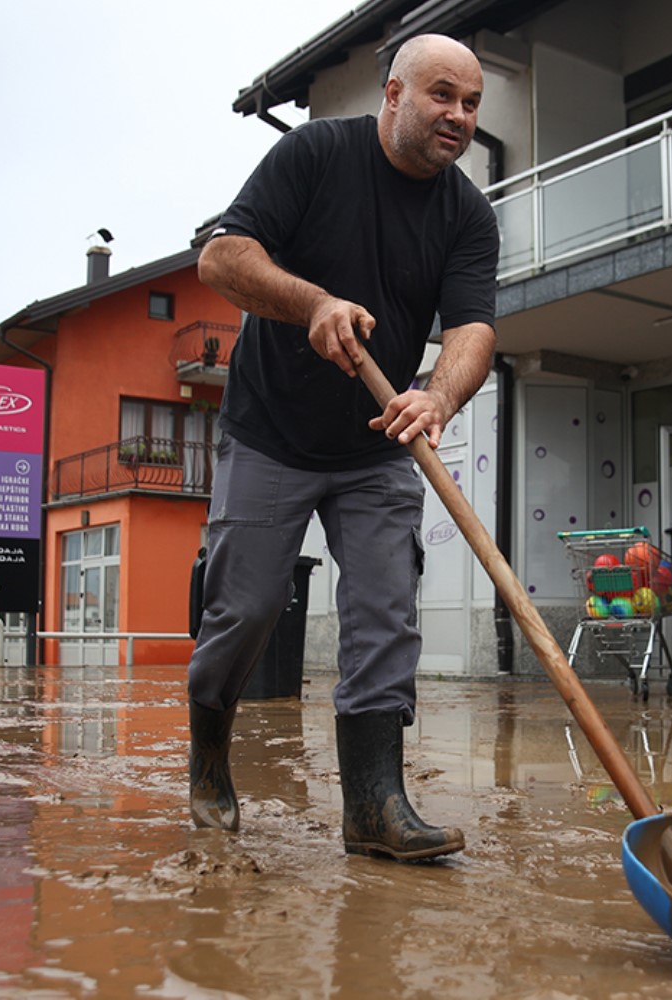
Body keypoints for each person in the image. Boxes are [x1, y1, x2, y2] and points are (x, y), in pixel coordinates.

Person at [187, 34, 498, 863]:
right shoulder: (316, 154)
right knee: (246, 608)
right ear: (393, 93)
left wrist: (438, 393)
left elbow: (472, 328)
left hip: (376, 444)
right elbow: (222, 258)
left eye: (471, 104)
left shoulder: (466, 213)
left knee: (384, 618)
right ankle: (209, 762)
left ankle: (373, 805)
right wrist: (314, 302)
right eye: (443, 96)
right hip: (270, 431)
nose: (459, 117)